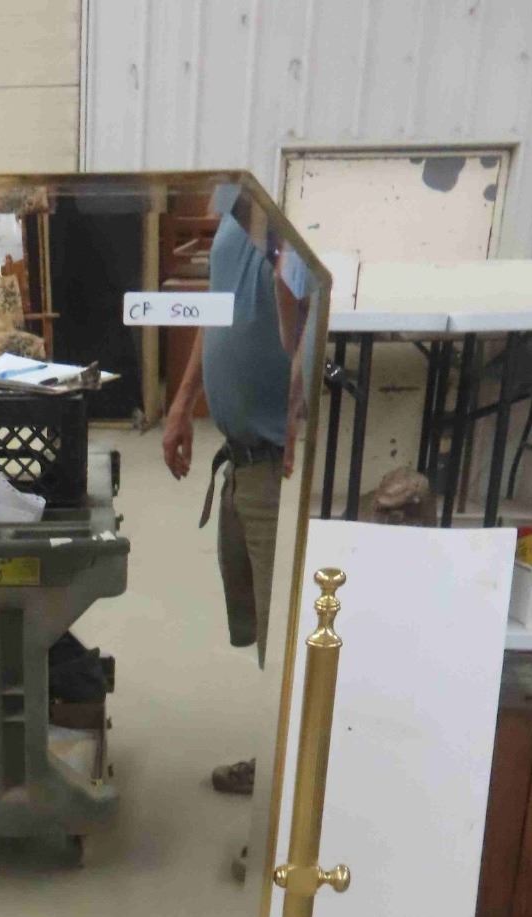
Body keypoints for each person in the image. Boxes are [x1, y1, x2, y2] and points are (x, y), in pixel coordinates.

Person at [163, 193, 308, 797]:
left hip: (282, 464)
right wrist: (183, 401)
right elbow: (218, 306)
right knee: (268, 637)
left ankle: (288, 798)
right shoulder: (233, 198)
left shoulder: (298, 195)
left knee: (291, 639)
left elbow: (309, 305)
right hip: (243, 462)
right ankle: (281, 767)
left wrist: (299, 403)